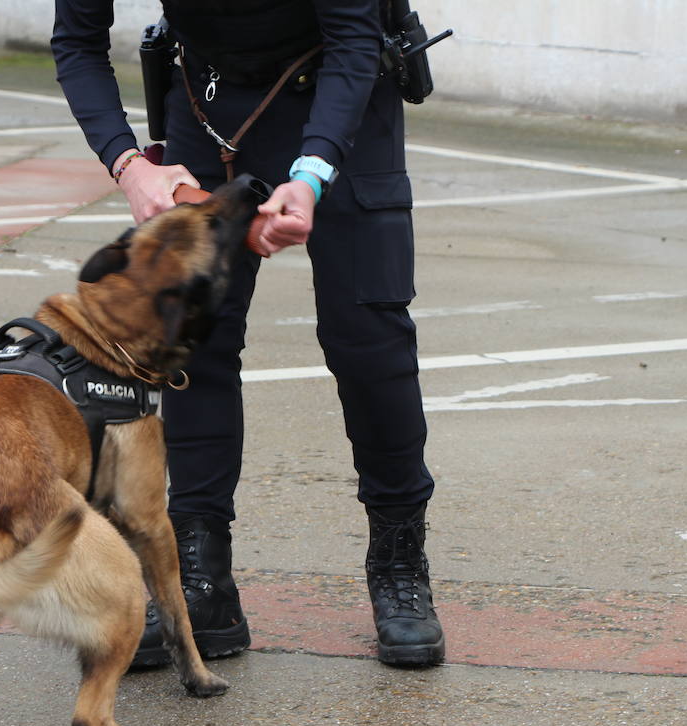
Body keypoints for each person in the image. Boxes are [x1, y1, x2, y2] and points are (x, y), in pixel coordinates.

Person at [51, 0, 444, 668]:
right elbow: (76, 41)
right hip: (211, 101)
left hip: (341, 90)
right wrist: (130, 166)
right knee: (197, 340)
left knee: (367, 336)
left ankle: (399, 560)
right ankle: (202, 579)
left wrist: (313, 173)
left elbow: (353, 38)